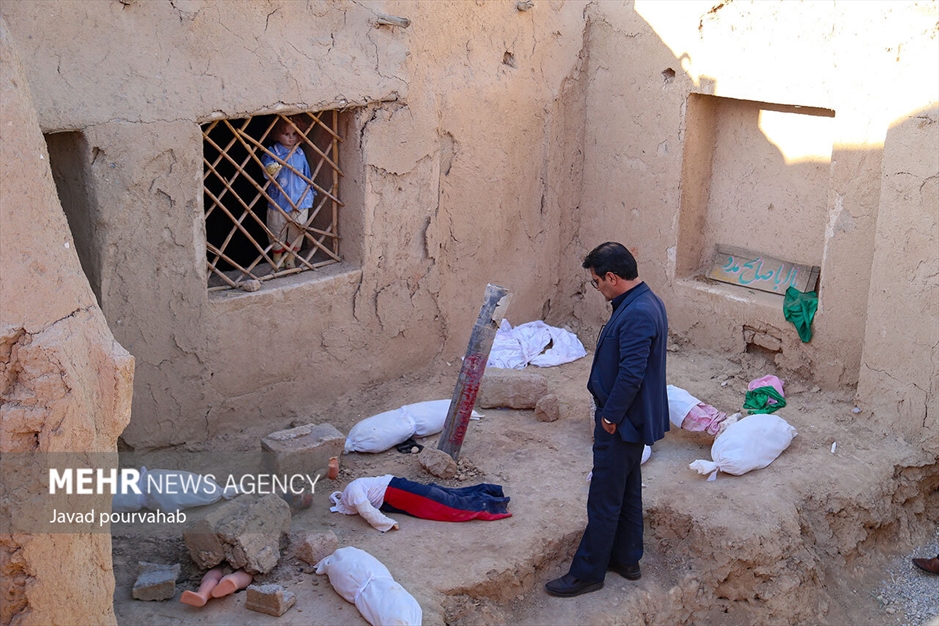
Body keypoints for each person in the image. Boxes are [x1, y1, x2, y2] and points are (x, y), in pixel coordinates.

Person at [545, 242, 669, 598]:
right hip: (629, 420)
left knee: (603, 497)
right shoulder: (642, 302)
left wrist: (610, 417)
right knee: (627, 491)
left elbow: (632, 373)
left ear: (613, 277)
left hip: (622, 421)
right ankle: (627, 559)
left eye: (597, 281)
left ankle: (588, 572)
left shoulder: (638, 312)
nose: (597, 288)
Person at [329, 475, 512, 532]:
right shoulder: (352, 490)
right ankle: (491, 491)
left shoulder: (353, 493)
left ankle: (494, 505)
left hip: (397, 492)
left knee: (449, 506)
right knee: (446, 495)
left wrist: (387, 524)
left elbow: (368, 511)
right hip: (396, 491)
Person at [261, 117, 316, 269]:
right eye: (286, 133)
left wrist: (310, 191)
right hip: (279, 200)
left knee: (297, 230)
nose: (291, 138)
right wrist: (271, 168)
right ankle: (277, 256)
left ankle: (290, 257)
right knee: (276, 228)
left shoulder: (300, 153)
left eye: (294, 134)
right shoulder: (273, 152)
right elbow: (267, 166)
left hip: (300, 199)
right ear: (276, 134)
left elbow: (307, 173)